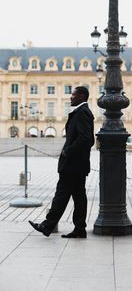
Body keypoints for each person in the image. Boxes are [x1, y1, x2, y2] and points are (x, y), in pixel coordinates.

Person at [29, 86, 94, 238]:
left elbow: (86, 138)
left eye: (73, 95)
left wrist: (67, 151)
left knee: (62, 194)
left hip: (73, 164)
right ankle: (79, 229)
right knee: (78, 196)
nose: (70, 97)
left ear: (82, 96)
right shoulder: (81, 112)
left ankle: (47, 225)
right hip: (77, 164)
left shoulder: (82, 112)